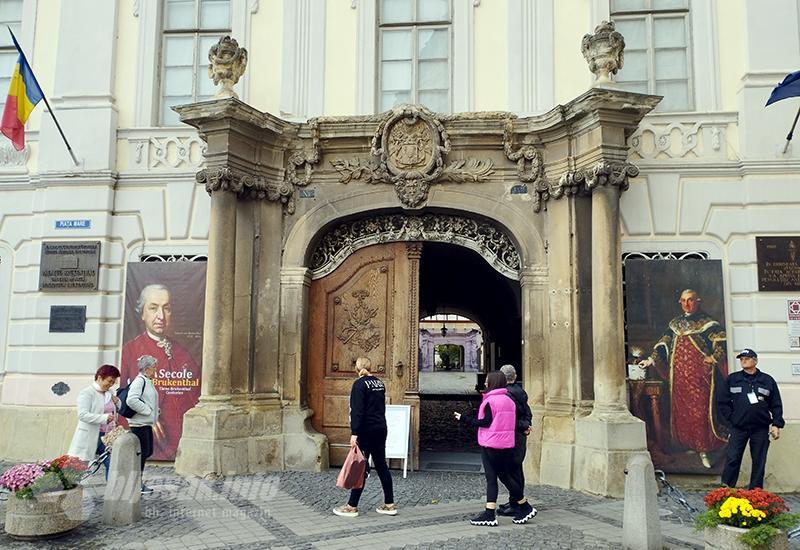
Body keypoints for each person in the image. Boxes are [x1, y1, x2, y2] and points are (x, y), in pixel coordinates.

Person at [638, 288, 728, 468]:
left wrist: (714, 358)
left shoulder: (708, 323)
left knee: (700, 412)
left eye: (691, 300)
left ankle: (703, 450)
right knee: (683, 412)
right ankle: (690, 445)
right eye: (684, 301)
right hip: (679, 378)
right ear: (680, 303)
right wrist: (650, 360)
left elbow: (721, 343)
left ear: (698, 301)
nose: (687, 304)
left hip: (700, 377)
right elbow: (663, 344)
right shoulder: (675, 324)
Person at [120, 284, 201, 460]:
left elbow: (197, 390)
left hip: (183, 434)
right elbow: (122, 398)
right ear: (142, 313)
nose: (161, 316)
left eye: (167, 308)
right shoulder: (130, 350)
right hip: (153, 432)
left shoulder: (182, 350)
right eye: (153, 308)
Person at [454, 371, 537, 526]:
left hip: (490, 443)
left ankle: (524, 506)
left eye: (487, 381)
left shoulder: (490, 401)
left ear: (492, 383)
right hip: (505, 444)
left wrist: (463, 418)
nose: (485, 383)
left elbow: (485, 422)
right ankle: (490, 512)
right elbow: (512, 422)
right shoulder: (509, 400)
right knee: (499, 477)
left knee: (497, 478)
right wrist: (524, 427)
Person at [333, 356, 397, 518]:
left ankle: (351, 506)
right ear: (370, 367)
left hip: (365, 430)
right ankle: (389, 504)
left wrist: (355, 433)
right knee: (382, 465)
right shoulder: (379, 383)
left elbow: (357, 411)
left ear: (356, 368)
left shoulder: (359, 384)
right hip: (380, 428)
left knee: (360, 466)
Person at [717, 349, 784, 489]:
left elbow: (776, 404)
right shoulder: (733, 379)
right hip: (738, 428)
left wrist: (776, 424)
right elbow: (722, 402)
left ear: (755, 360)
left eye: (746, 358)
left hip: (760, 428)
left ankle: (755, 493)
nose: (743, 361)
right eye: (741, 359)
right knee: (733, 458)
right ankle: (725, 491)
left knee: (759, 461)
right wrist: (731, 420)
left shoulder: (767, 380)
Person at [68, 364, 121, 478]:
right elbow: (82, 415)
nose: (111, 384)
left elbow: (115, 409)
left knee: (112, 464)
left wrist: (117, 402)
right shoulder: (87, 393)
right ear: (100, 377)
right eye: (109, 381)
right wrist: (104, 418)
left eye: (113, 382)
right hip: (91, 435)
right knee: (80, 468)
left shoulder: (109, 393)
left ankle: (113, 493)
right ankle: (69, 492)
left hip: (107, 436)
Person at [497, 364, 532, 517]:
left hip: (510, 436)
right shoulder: (521, 392)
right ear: (515, 377)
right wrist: (526, 425)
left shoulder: (506, 395)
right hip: (520, 436)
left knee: (510, 470)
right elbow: (527, 413)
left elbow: (508, 419)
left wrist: (522, 426)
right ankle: (514, 501)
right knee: (516, 469)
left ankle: (517, 504)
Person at [127, 354, 160, 495]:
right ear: (146, 369)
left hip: (145, 424)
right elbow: (131, 400)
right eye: (153, 368)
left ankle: (136, 482)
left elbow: (146, 399)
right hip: (139, 424)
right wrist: (147, 411)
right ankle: (136, 484)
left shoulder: (146, 380)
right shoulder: (140, 381)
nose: (155, 371)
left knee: (147, 452)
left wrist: (154, 411)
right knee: (141, 454)